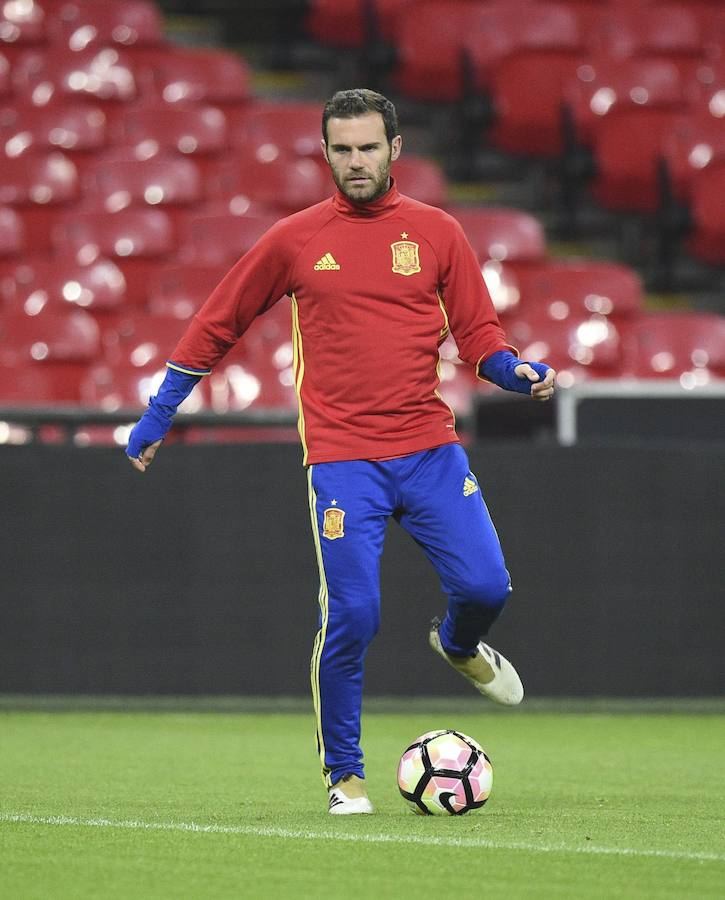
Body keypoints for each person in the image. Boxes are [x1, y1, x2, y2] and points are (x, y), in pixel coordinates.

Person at [126, 89, 556, 816]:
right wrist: (157, 413)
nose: (354, 161)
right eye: (341, 149)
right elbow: (218, 321)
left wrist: (515, 372)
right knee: (353, 614)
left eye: (367, 147)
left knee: (486, 589)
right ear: (325, 153)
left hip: (428, 451)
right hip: (341, 461)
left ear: (395, 149)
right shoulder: (295, 239)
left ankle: (458, 645)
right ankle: (345, 775)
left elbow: (480, 338)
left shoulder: (437, 233)